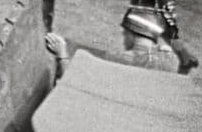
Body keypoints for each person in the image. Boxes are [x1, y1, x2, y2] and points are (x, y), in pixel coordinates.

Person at [45, 7, 181, 79]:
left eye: (125, 34)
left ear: (132, 34)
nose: (123, 37)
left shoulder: (119, 59)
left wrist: (62, 54)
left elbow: (76, 84)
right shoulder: (172, 61)